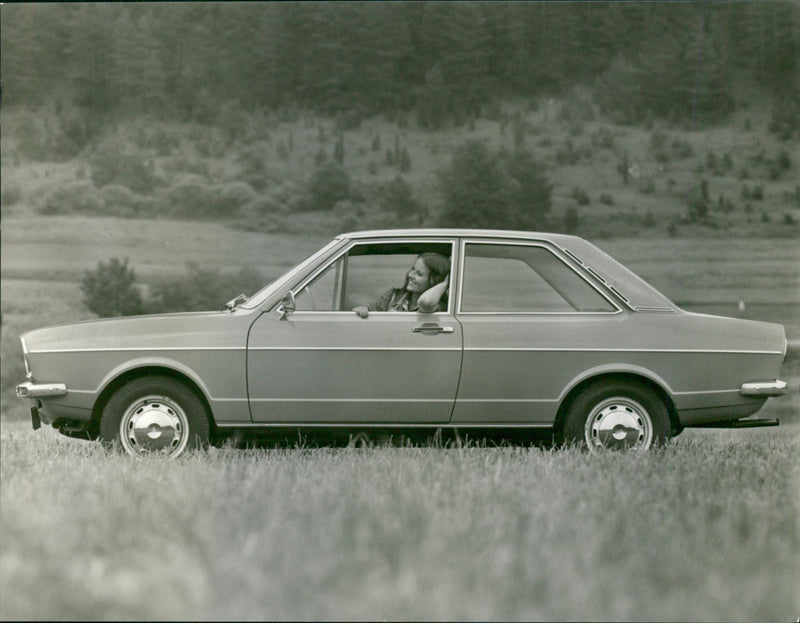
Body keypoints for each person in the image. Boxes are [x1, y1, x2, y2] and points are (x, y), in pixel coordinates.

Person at [353, 252, 450, 318]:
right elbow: (371, 312)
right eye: (412, 269)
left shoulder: (438, 306)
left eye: (419, 274)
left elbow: (425, 303)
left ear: (434, 280)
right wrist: (362, 310)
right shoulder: (393, 296)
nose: (410, 275)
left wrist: (444, 284)